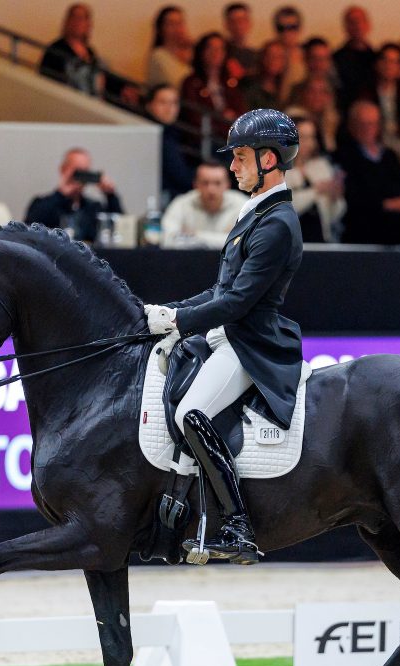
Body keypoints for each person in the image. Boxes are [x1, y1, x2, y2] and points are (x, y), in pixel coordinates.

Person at [143, 109, 305, 565]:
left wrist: (180, 323)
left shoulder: (276, 223)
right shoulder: (255, 213)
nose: (232, 167)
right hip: (230, 333)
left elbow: (238, 304)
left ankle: (238, 524)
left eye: (239, 157)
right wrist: (174, 311)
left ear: (268, 159)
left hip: (252, 341)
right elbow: (221, 290)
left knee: (193, 412)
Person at [338, 100, 400, 245]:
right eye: (363, 124)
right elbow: (354, 197)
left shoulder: (389, 155)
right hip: (368, 223)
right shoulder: (345, 156)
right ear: (352, 126)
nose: (368, 129)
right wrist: (386, 204)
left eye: (372, 123)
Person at [24, 148, 122, 242]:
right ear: (63, 169)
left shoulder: (93, 207)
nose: (81, 178)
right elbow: (30, 230)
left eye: (85, 172)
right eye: (78, 171)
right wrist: (60, 194)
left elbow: (118, 228)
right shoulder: (42, 204)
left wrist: (110, 195)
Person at [285, 117, 344, 243]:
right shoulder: (277, 171)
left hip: (321, 240)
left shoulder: (321, 166)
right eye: (303, 137)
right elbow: (285, 207)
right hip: (289, 244)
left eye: (311, 137)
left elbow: (334, 216)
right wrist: (316, 191)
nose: (308, 143)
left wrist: (335, 198)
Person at [180, 33, 246, 146]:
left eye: (220, 49)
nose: (216, 53)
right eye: (211, 48)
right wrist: (222, 120)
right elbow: (194, 117)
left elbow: (241, 112)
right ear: (202, 52)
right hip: (206, 140)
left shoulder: (230, 81)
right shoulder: (191, 83)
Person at [160, 161, 246, 248]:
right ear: (195, 184)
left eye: (217, 183)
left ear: (227, 185)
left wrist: (195, 236)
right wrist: (228, 238)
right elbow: (167, 240)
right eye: (205, 183)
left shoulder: (243, 205)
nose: (211, 190)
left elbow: (245, 242)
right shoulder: (181, 203)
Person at [145, 84, 195, 205]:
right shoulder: (153, 134)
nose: (169, 108)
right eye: (163, 102)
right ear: (150, 105)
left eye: (174, 103)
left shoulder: (174, 133)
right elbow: (179, 175)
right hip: (161, 199)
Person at [333, 6, 376, 112]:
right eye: (352, 22)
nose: (357, 26)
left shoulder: (377, 58)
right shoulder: (336, 59)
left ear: (368, 25)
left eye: (360, 21)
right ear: (346, 27)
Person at [147, 6, 193, 89]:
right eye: (171, 24)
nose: (178, 28)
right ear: (161, 29)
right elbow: (177, 84)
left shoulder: (193, 50)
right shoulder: (158, 56)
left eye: (180, 23)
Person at [243, 40, 287, 111]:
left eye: (279, 57)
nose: (274, 60)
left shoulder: (286, 89)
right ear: (262, 58)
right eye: (270, 56)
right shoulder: (248, 85)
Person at [273, 6, 306, 99]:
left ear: (300, 28)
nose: (287, 32)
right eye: (281, 28)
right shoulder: (269, 57)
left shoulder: (308, 55)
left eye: (292, 27)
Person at [223, 3, 257, 80]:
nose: (238, 25)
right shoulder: (221, 53)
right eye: (233, 21)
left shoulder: (257, 55)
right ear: (226, 24)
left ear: (249, 23)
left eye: (242, 20)